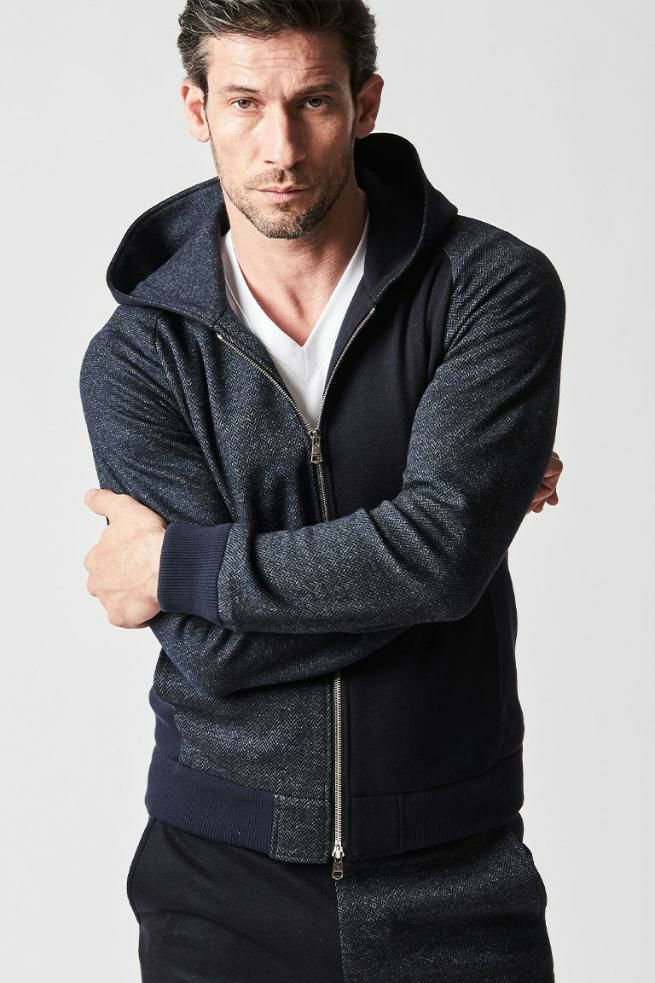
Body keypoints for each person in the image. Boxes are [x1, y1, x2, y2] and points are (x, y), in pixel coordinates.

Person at [79, 2, 566, 980]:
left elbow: (438, 562)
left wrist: (174, 565)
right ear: (196, 109)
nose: (282, 147)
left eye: (313, 102)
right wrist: (429, 540)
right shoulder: (140, 355)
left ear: (364, 105)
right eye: (244, 103)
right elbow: (215, 648)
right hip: (215, 882)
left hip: (456, 871)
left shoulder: (487, 289)